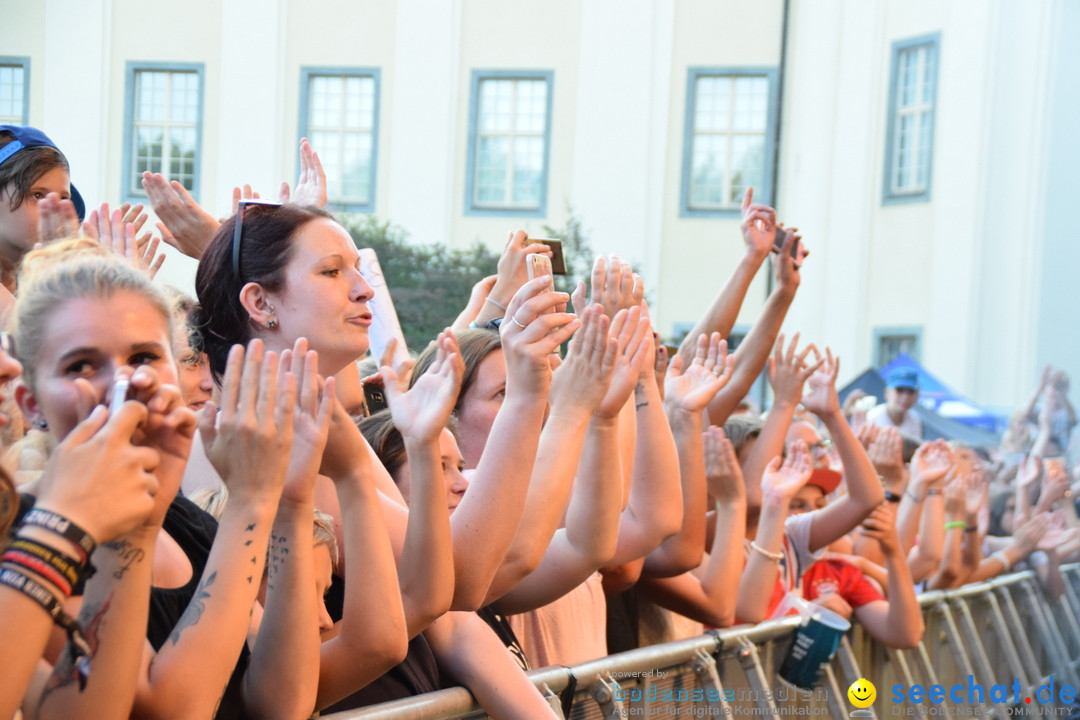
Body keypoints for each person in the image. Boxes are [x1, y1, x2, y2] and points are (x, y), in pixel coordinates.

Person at [867, 368, 923, 439]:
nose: (905, 397)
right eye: (899, 390)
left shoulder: (914, 420)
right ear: (887, 393)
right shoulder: (873, 417)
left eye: (910, 391)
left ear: (917, 395)